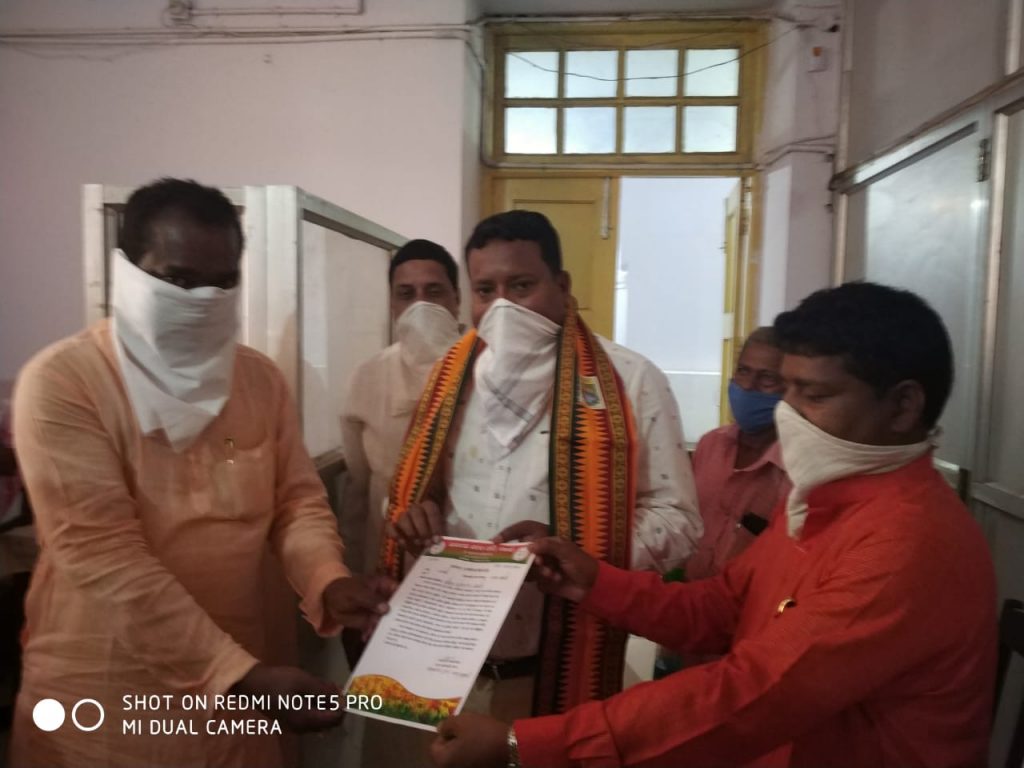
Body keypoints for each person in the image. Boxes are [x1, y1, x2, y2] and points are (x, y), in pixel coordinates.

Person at [430, 281, 997, 768]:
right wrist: (592, 580)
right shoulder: (824, 503)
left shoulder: (908, 543)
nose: (787, 415)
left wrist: (523, 744)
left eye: (814, 395)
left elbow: (751, 695)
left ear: (902, 407)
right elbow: (723, 607)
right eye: (786, 389)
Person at [9, 178, 392, 768]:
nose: (203, 299)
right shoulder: (65, 383)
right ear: (128, 271)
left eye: (223, 282)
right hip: (105, 701)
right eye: (180, 280)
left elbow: (296, 503)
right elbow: (103, 555)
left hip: (238, 692)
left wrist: (328, 580)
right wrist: (242, 679)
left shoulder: (258, 380)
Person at [383, 210, 702, 728]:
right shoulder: (449, 377)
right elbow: (411, 491)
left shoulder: (630, 380)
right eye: (485, 291)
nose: (503, 307)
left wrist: (570, 550)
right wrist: (415, 512)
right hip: (443, 658)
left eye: (522, 286)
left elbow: (679, 521)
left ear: (562, 285)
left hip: (556, 663)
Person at [340, 239, 461, 578]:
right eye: (406, 294)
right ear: (392, 304)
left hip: (467, 560)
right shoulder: (367, 377)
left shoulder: (485, 370)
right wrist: (351, 575)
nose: (420, 306)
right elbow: (358, 489)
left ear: (457, 299)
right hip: (387, 565)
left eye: (434, 292)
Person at [686, 326, 791, 580]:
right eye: (743, 371)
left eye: (767, 378)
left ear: (790, 388)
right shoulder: (710, 445)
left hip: (751, 601)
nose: (748, 387)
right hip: (687, 594)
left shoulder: (796, 469)